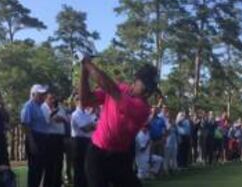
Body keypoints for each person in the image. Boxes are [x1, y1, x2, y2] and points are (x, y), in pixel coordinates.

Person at [77, 53, 160, 187]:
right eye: (146, 87)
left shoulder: (143, 108)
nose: (148, 93)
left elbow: (111, 89)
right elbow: (86, 99)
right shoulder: (121, 88)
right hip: (97, 154)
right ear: (136, 81)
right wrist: (84, 70)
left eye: (151, 90)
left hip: (120, 157)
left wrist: (87, 63)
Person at [21, 84, 50, 187]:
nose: (43, 97)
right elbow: (25, 125)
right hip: (34, 138)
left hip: (42, 139)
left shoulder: (41, 107)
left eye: (43, 94)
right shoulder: (28, 106)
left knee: (40, 168)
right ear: (33, 94)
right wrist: (32, 142)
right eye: (40, 94)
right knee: (34, 169)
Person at [41, 93, 68, 187]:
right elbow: (53, 119)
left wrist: (59, 117)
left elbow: (65, 119)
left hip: (60, 138)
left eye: (54, 98)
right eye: (50, 98)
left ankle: (57, 184)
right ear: (46, 99)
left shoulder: (59, 107)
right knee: (50, 164)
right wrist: (56, 116)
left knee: (59, 163)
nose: (53, 100)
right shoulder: (43, 107)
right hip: (50, 137)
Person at [71, 96, 96, 187]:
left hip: (88, 141)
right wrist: (94, 125)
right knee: (79, 168)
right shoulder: (75, 114)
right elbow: (85, 128)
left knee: (87, 167)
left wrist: (93, 125)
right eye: (80, 99)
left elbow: (93, 123)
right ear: (76, 101)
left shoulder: (86, 113)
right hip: (79, 142)